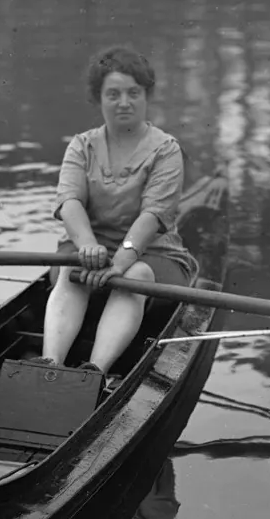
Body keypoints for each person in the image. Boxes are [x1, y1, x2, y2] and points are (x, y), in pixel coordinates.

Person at [40, 46, 198, 378]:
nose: (123, 102)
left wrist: (120, 262)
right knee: (71, 272)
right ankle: (48, 368)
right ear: (98, 99)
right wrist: (87, 247)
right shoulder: (82, 146)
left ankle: (93, 373)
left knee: (134, 277)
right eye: (113, 94)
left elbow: (153, 216)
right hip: (88, 255)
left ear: (146, 96)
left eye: (133, 93)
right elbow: (69, 203)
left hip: (154, 256)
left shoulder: (165, 149)